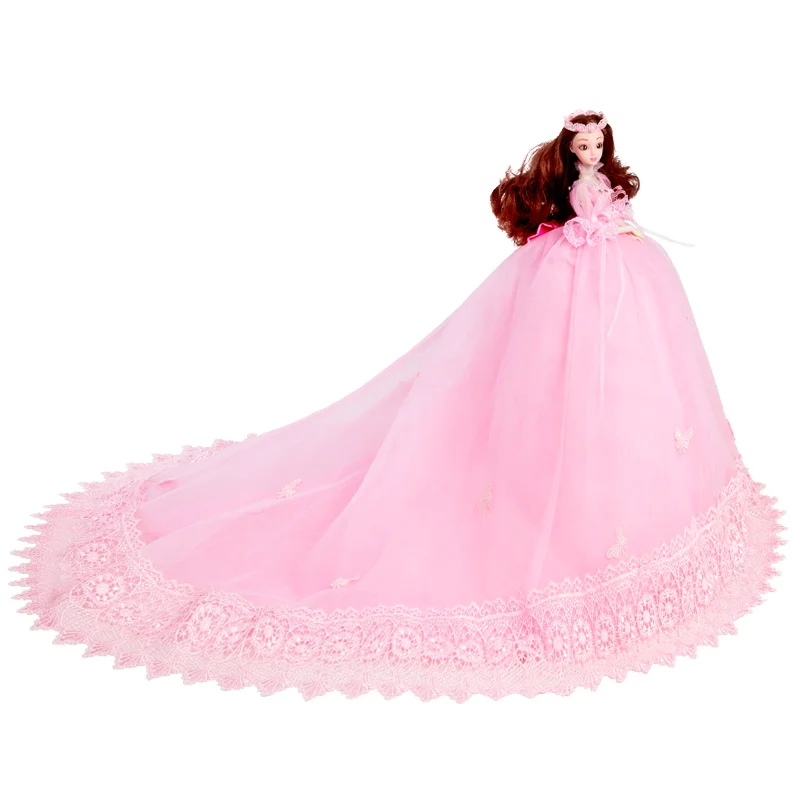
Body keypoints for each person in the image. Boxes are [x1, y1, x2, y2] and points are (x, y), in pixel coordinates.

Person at [12, 109, 787, 703]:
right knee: (540, 389)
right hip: (577, 280)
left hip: (619, 282)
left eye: (597, 144)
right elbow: (585, 218)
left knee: (626, 392)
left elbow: (613, 216)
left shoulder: (607, 189)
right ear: (568, 150)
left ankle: (604, 492)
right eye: (582, 145)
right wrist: (598, 231)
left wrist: (626, 234)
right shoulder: (572, 200)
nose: (590, 153)